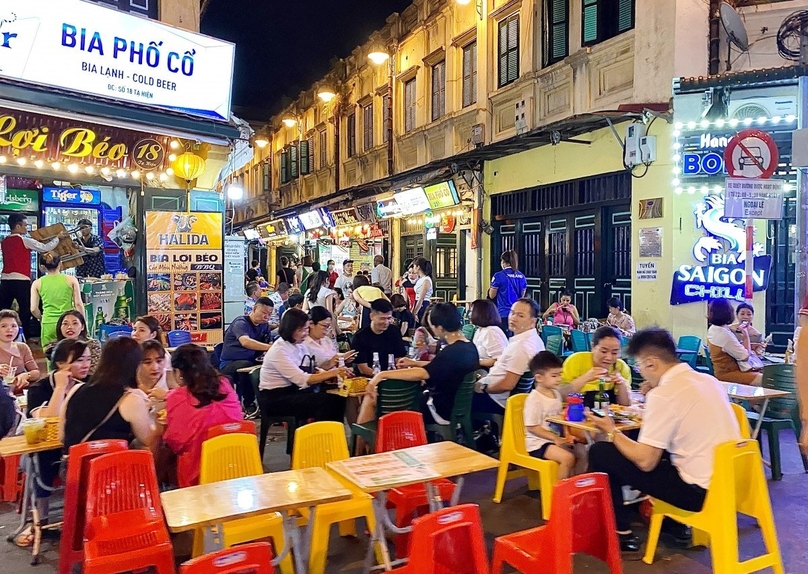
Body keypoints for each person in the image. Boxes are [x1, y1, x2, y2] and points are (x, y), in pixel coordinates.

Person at [586, 328, 741, 553]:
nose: (641, 372)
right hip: (733, 483)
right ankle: (673, 525)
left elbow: (646, 461)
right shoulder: (709, 381)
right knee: (651, 445)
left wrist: (611, 430)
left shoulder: (665, 394)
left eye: (640, 365)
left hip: (699, 494)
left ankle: (619, 531)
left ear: (651, 363)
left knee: (601, 452)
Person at [17, 338, 91, 546]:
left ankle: (90, 519)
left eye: (87, 359)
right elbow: (48, 420)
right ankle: (40, 521)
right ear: (60, 364)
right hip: (48, 451)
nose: (85, 365)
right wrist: (60, 388)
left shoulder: (91, 384)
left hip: (78, 447)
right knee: (42, 459)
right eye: (78, 361)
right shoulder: (40, 388)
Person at [364, 302, 479, 425]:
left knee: (373, 399)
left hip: (439, 410)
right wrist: (413, 363)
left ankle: (367, 436)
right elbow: (439, 366)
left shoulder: (450, 352)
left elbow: (423, 373)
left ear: (440, 328)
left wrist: (381, 375)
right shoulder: (469, 347)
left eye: (433, 327)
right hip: (458, 408)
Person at [61, 337, 161, 452]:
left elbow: (61, 436)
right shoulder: (130, 399)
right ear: (134, 366)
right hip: (111, 468)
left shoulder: (76, 389)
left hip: (74, 467)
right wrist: (155, 419)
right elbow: (148, 439)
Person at [163, 344, 243, 486]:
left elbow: (176, 442)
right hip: (236, 465)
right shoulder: (224, 384)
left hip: (199, 476)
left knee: (165, 451)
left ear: (178, 372)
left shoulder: (177, 397)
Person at [258, 308, 349, 423]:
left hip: (294, 391)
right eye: (301, 330)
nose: (306, 333)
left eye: (306, 329)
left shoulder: (299, 344)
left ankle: (331, 435)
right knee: (326, 402)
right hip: (275, 399)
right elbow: (302, 379)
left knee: (338, 398)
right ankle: (319, 436)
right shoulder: (279, 350)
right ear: (290, 329)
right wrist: (334, 372)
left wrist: (326, 373)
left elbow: (309, 368)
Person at [474, 299, 544, 414]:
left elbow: (507, 384)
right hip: (499, 395)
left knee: (457, 396)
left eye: (520, 315)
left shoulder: (522, 347)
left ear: (533, 321)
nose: (513, 318)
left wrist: (483, 388)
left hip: (496, 401)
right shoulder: (533, 340)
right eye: (512, 313)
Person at [0, 214, 60, 335]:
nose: (26, 228)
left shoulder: (4, 241)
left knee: (4, 309)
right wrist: (58, 238)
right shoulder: (24, 240)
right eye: (25, 225)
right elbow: (45, 248)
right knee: (25, 310)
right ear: (18, 226)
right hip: (21, 280)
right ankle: (24, 337)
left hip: (5, 280)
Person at [524, 351, 578, 479]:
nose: (559, 379)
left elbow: (560, 419)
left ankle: (574, 487)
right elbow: (532, 427)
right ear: (539, 378)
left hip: (554, 440)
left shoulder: (556, 394)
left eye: (560, 374)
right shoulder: (535, 399)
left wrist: (567, 434)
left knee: (582, 451)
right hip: (538, 444)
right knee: (568, 458)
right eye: (554, 375)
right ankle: (560, 493)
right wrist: (554, 438)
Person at [219, 297, 273, 415]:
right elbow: (245, 342)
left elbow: (269, 342)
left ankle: (269, 406)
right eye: (264, 313)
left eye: (269, 314)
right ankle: (249, 404)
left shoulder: (265, 326)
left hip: (253, 361)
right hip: (230, 364)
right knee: (247, 367)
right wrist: (269, 348)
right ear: (254, 309)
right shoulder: (241, 323)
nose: (266, 317)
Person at [560, 326, 631, 409]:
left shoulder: (621, 367)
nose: (609, 357)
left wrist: (621, 384)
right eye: (603, 351)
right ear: (593, 346)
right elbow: (561, 396)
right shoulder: (575, 360)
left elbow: (625, 406)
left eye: (614, 353)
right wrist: (586, 377)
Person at [30, 252, 84, 346]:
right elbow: (78, 304)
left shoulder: (37, 283)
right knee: (69, 352)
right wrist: (81, 321)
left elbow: (33, 309)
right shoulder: (71, 280)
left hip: (48, 323)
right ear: (60, 264)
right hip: (68, 322)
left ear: (42, 267)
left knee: (50, 354)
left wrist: (41, 318)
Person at [706, 298, 762, 386]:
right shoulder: (724, 334)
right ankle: (749, 399)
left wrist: (750, 345)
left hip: (721, 371)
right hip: (728, 374)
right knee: (766, 380)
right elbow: (745, 356)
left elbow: (730, 348)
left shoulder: (714, 329)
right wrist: (746, 336)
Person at [351, 299, 407, 376]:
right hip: (370, 378)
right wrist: (382, 376)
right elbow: (363, 368)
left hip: (392, 375)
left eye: (389, 318)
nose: (386, 322)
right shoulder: (360, 336)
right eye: (382, 318)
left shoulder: (395, 331)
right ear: (371, 316)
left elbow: (399, 358)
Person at [45, 310, 102, 376]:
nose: (70, 327)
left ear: (82, 327)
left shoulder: (92, 344)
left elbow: (94, 371)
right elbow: (54, 372)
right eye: (65, 324)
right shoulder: (53, 347)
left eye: (75, 323)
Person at [131, 315, 176, 390]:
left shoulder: (164, 356)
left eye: (142, 330)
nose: (136, 333)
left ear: (153, 334)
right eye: (134, 329)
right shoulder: (131, 354)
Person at [0, 309, 40, 393]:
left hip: (22, 393)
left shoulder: (22, 347)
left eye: (14, 326)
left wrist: (27, 375)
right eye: (4, 326)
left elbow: (36, 372)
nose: (9, 330)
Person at [489, 250, 527, 330]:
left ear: (503, 262)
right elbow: (522, 296)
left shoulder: (498, 276)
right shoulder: (522, 276)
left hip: (503, 314)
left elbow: (492, 295)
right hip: (517, 313)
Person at [469, 299, 509, 369]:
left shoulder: (491, 332)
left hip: (492, 373)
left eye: (472, 312)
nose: (469, 315)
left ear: (480, 313)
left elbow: (499, 359)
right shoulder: (479, 330)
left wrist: (476, 362)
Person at [137, 340, 171, 405]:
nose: (155, 367)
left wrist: (168, 396)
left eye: (159, 361)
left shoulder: (172, 378)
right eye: (148, 362)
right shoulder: (129, 382)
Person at [411, 257, 433, 323]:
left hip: (423, 304)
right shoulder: (420, 279)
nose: (413, 268)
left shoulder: (426, 280)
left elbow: (421, 298)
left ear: (418, 267)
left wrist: (415, 313)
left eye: (414, 266)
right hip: (417, 302)